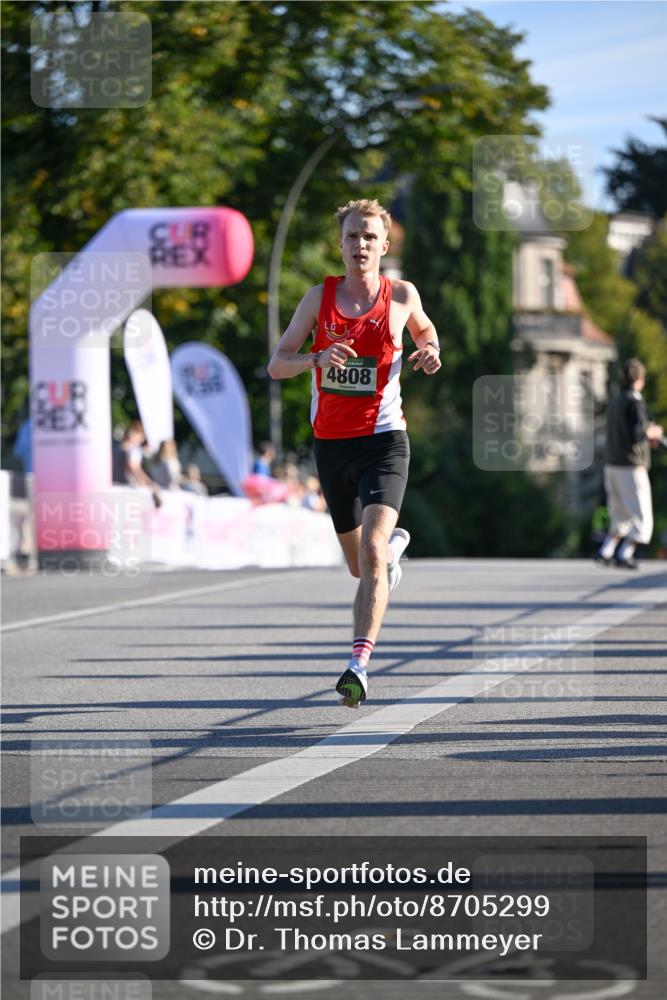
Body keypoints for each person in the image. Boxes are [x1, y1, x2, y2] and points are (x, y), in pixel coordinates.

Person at [268, 198, 441, 707]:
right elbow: (277, 364)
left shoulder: (402, 295)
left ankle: (358, 665)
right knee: (358, 565)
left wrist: (430, 350)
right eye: (351, 236)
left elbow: (425, 330)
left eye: (369, 237)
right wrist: (316, 358)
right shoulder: (317, 299)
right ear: (340, 245)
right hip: (331, 445)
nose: (360, 245)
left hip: (385, 440)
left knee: (371, 550)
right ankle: (387, 557)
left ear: (384, 245)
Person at [596, 358, 663, 569]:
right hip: (631, 466)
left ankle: (606, 550)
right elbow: (637, 434)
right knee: (641, 514)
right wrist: (653, 432)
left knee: (620, 513)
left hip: (611, 464)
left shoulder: (615, 401)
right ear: (639, 379)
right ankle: (625, 553)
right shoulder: (635, 401)